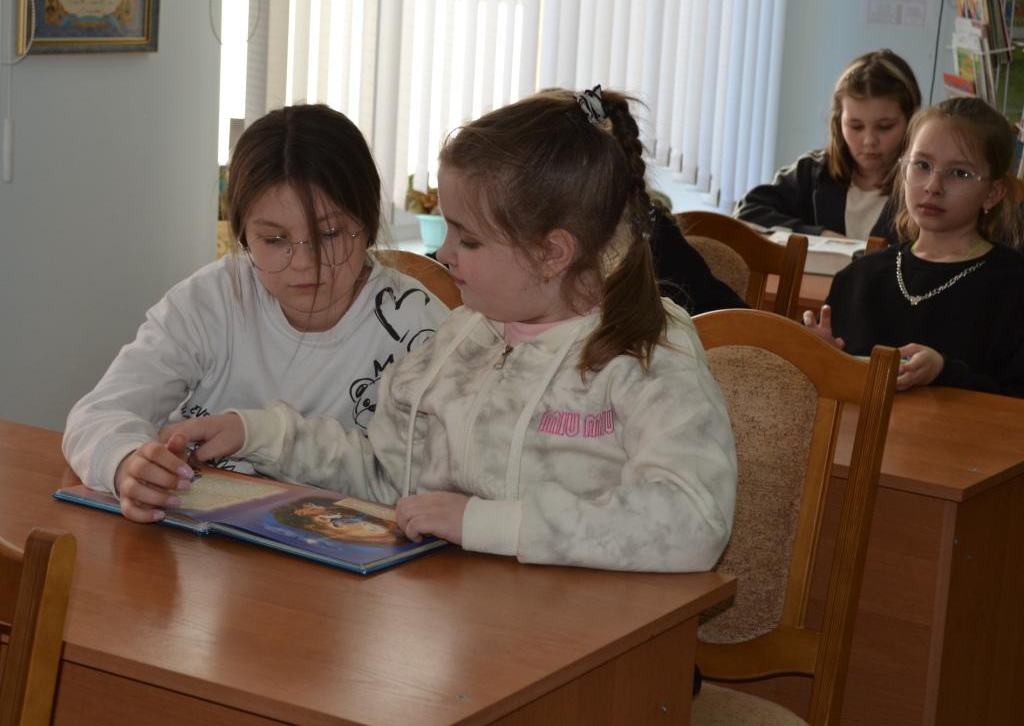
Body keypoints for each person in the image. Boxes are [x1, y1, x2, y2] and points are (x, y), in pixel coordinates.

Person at [162, 86, 738, 573]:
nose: (443, 253)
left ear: (552, 253)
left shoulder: (648, 355)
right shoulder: (464, 339)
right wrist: (257, 432)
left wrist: (484, 523)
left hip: (591, 646)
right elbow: (385, 476)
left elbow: (692, 521)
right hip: (461, 627)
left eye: (469, 239)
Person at [62, 104, 450, 522]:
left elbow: (432, 479)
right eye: (274, 239)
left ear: (368, 223)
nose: (304, 263)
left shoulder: (418, 327)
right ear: (244, 235)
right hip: (196, 546)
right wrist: (125, 464)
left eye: (329, 234)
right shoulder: (210, 301)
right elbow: (98, 413)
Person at [803, 97, 1024, 398]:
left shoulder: (1012, 285)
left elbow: (1014, 400)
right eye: (922, 165)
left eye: (959, 173)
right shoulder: (858, 277)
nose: (933, 186)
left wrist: (944, 372)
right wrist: (820, 358)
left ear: (993, 193)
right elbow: (832, 389)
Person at [735, 49, 921, 242]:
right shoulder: (812, 171)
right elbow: (746, 213)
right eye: (855, 126)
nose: (869, 141)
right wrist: (819, 236)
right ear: (838, 122)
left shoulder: (924, 185)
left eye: (885, 127)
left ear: (912, 122)